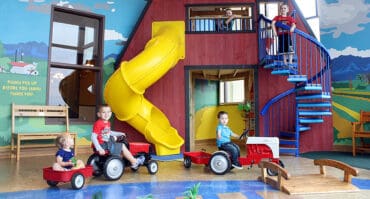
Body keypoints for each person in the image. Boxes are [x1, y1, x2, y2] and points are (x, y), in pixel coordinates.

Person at [91, 104, 145, 169]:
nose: (106, 114)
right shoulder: (98, 123)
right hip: (103, 145)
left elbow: (109, 132)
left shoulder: (107, 122)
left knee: (114, 138)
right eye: (103, 112)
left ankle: (121, 157)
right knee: (122, 146)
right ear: (99, 114)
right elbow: (93, 136)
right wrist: (99, 148)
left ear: (111, 113)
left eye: (108, 112)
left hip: (104, 142)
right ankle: (134, 162)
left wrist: (120, 133)